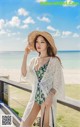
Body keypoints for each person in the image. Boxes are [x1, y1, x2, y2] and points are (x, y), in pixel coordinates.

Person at [20, 31, 65, 127]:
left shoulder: (54, 61)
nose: (38, 44)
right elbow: (24, 74)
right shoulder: (33, 60)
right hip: (35, 98)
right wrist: (25, 55)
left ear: (47, 45)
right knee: (24, 124)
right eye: (37, 42)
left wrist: (50, 96)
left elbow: (57, 83)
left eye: (42, 42)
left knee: (45, 125)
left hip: (47, 99)